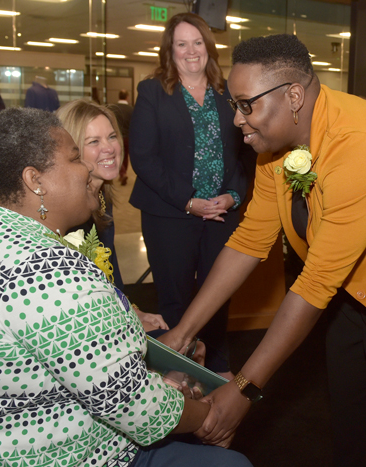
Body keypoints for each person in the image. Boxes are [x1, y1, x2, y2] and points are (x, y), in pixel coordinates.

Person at [159, 34, 366, 466]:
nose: (237, 120)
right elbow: (248, 242)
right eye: (233, 105)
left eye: (246, 105)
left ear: (293, 95)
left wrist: (244, 389)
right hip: (347, 275)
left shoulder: (362, 146)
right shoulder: (274, 145)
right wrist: (180, 336)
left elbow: (315, 282)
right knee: (348, 405)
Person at [0, 107, 252, 467]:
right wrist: (207, 417)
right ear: (35, 181)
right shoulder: (46, 272)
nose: (87, 169)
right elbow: (134, 407)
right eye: (76, 157)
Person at [129, 12, 254, 377]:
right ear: (170, 51)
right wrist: (189, 201)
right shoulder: (153, 91)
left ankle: (216, 370)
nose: (190, 50)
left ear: (208, 47)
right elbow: (144, 158)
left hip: (221, 213)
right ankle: (177, 375)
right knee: (176, 297)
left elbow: (247, 151)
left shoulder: (228, 92)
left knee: (217, 294)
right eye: (181, 44)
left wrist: (233, 195)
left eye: (197, 42)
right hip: (170, 214)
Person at [56, 99, 127, 292]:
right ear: (72, 151)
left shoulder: (101, 195)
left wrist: (131, 308)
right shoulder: (66, 213)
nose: (109, 148)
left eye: (112, 137)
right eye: (94, 141)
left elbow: (110, 270)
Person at [111, 90, 134, 186]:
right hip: (128, 136)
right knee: (125, 156)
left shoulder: (113, 108)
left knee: (118, 155)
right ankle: (123, 173)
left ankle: (122, 172)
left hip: (117, 136)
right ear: (127, 97)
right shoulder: (131, 109)